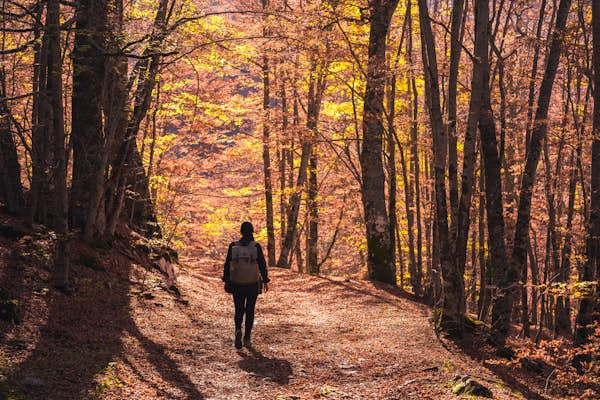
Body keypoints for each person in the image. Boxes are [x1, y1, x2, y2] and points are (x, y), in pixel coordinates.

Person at [222, 221, 270, 349]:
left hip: (237, 283)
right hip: (252, 283)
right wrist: (265, 280)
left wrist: (226, 279)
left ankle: (238, 329)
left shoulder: (233, 246)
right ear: (252, 231)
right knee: (250, 310)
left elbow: (227, 264)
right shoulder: (255, 246)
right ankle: (247, 338)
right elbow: (262, 264)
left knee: (238, 309)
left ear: (241, 232)